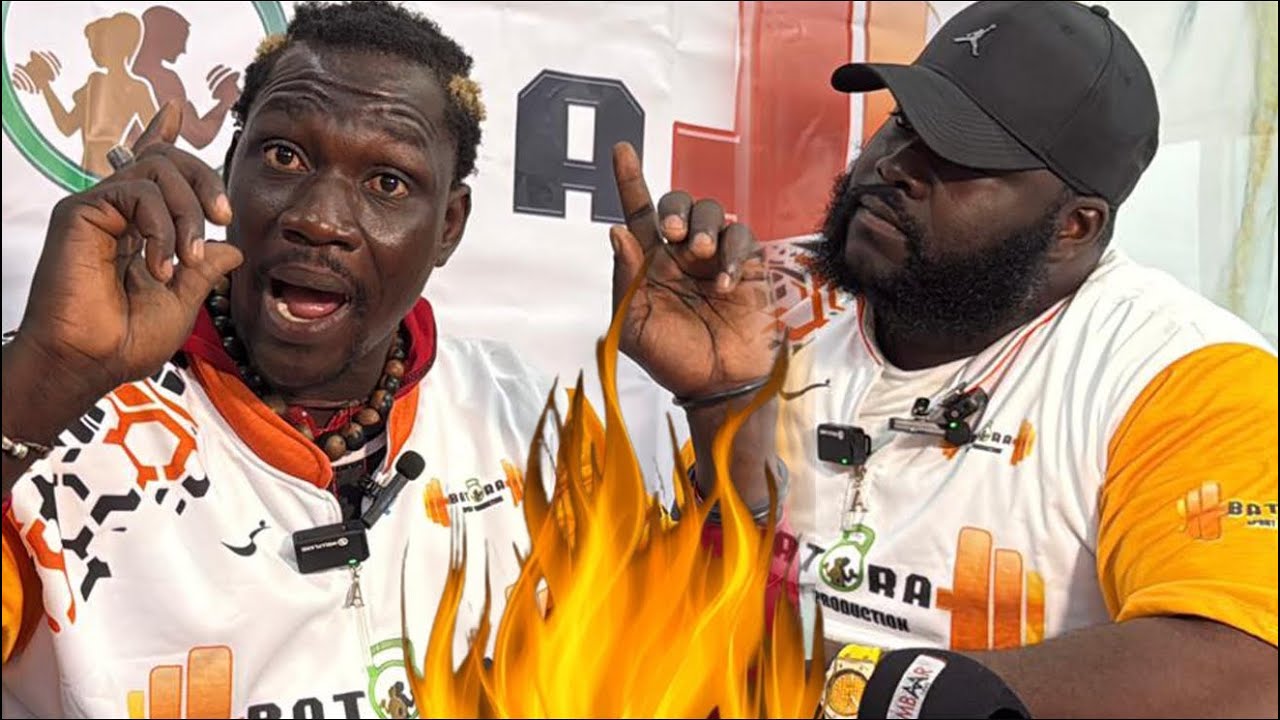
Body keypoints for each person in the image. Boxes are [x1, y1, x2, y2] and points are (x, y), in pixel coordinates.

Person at [0, 2, 776, 717]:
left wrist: (726, 407)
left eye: (387, 181)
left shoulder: (522, 422)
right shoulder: (52, 414)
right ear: (230, 170)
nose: (319, 219)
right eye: (283, 156)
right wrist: (49, 379)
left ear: (449, 227)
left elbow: (679, 675)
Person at [641, 1, 1277, 716]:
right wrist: (721, 407)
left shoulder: (1187, 375)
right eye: (903, 122)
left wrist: (851, 693)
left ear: (1075, 225)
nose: (895, 166)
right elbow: (698, 611)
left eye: (961, 156)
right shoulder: (772, 298)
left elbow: (1245, 671)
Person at [14, 12, 157, 177]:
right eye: (92, 46)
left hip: (111, 175)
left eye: (97, 44)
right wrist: (45, 86)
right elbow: (67, 126)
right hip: (88, 173)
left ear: (117, 45)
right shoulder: (96, 82)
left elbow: (159, 133)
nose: (93, 51)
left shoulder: (136, 89)